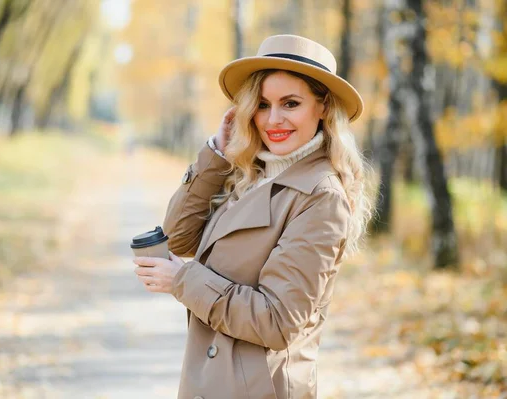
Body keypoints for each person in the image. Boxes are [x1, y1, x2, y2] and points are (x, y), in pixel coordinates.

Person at [133, 34, 374, 399]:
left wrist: (183, 278)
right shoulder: (252, 173)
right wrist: (218, 152)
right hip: (211, 382)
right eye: (262, 105)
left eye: (290, 103)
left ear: (322, 107)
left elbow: (277, 321)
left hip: (260, 389)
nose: (273, 119)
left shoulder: (322, 195)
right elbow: (179, 237)